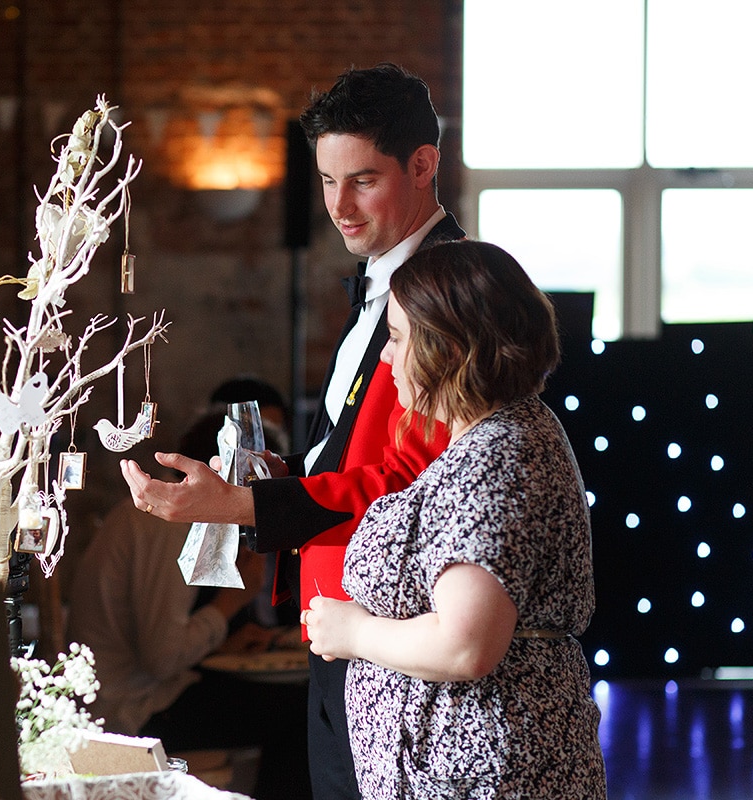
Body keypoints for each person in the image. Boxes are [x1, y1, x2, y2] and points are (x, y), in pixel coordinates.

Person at [119, 63, 464, 798]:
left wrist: (243, 508)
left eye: (363, 181)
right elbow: (352, 454)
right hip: (336, 623)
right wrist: (272, 478)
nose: (339, 206)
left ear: (423, 165)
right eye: (328, 181)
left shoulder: (450, 295)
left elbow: (415, 485)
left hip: (391, 634)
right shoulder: (381, 282)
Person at [304, 239, 607, 798]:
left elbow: (466, 644)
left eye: (396, 338)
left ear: (447, 346)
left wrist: (354, 632)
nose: (386, 358)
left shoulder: (500, 454)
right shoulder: (489, 439)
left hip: (487, 775)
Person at [67, 410, 310, 799]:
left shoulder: (160, 518)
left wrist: (222, 639)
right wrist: (234, 600)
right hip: (128, 712)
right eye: (255, 490)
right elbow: (161, 658)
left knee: (290, 703)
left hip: (144, 692)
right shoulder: (164, 523)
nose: (256, 511)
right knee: (301, 712)